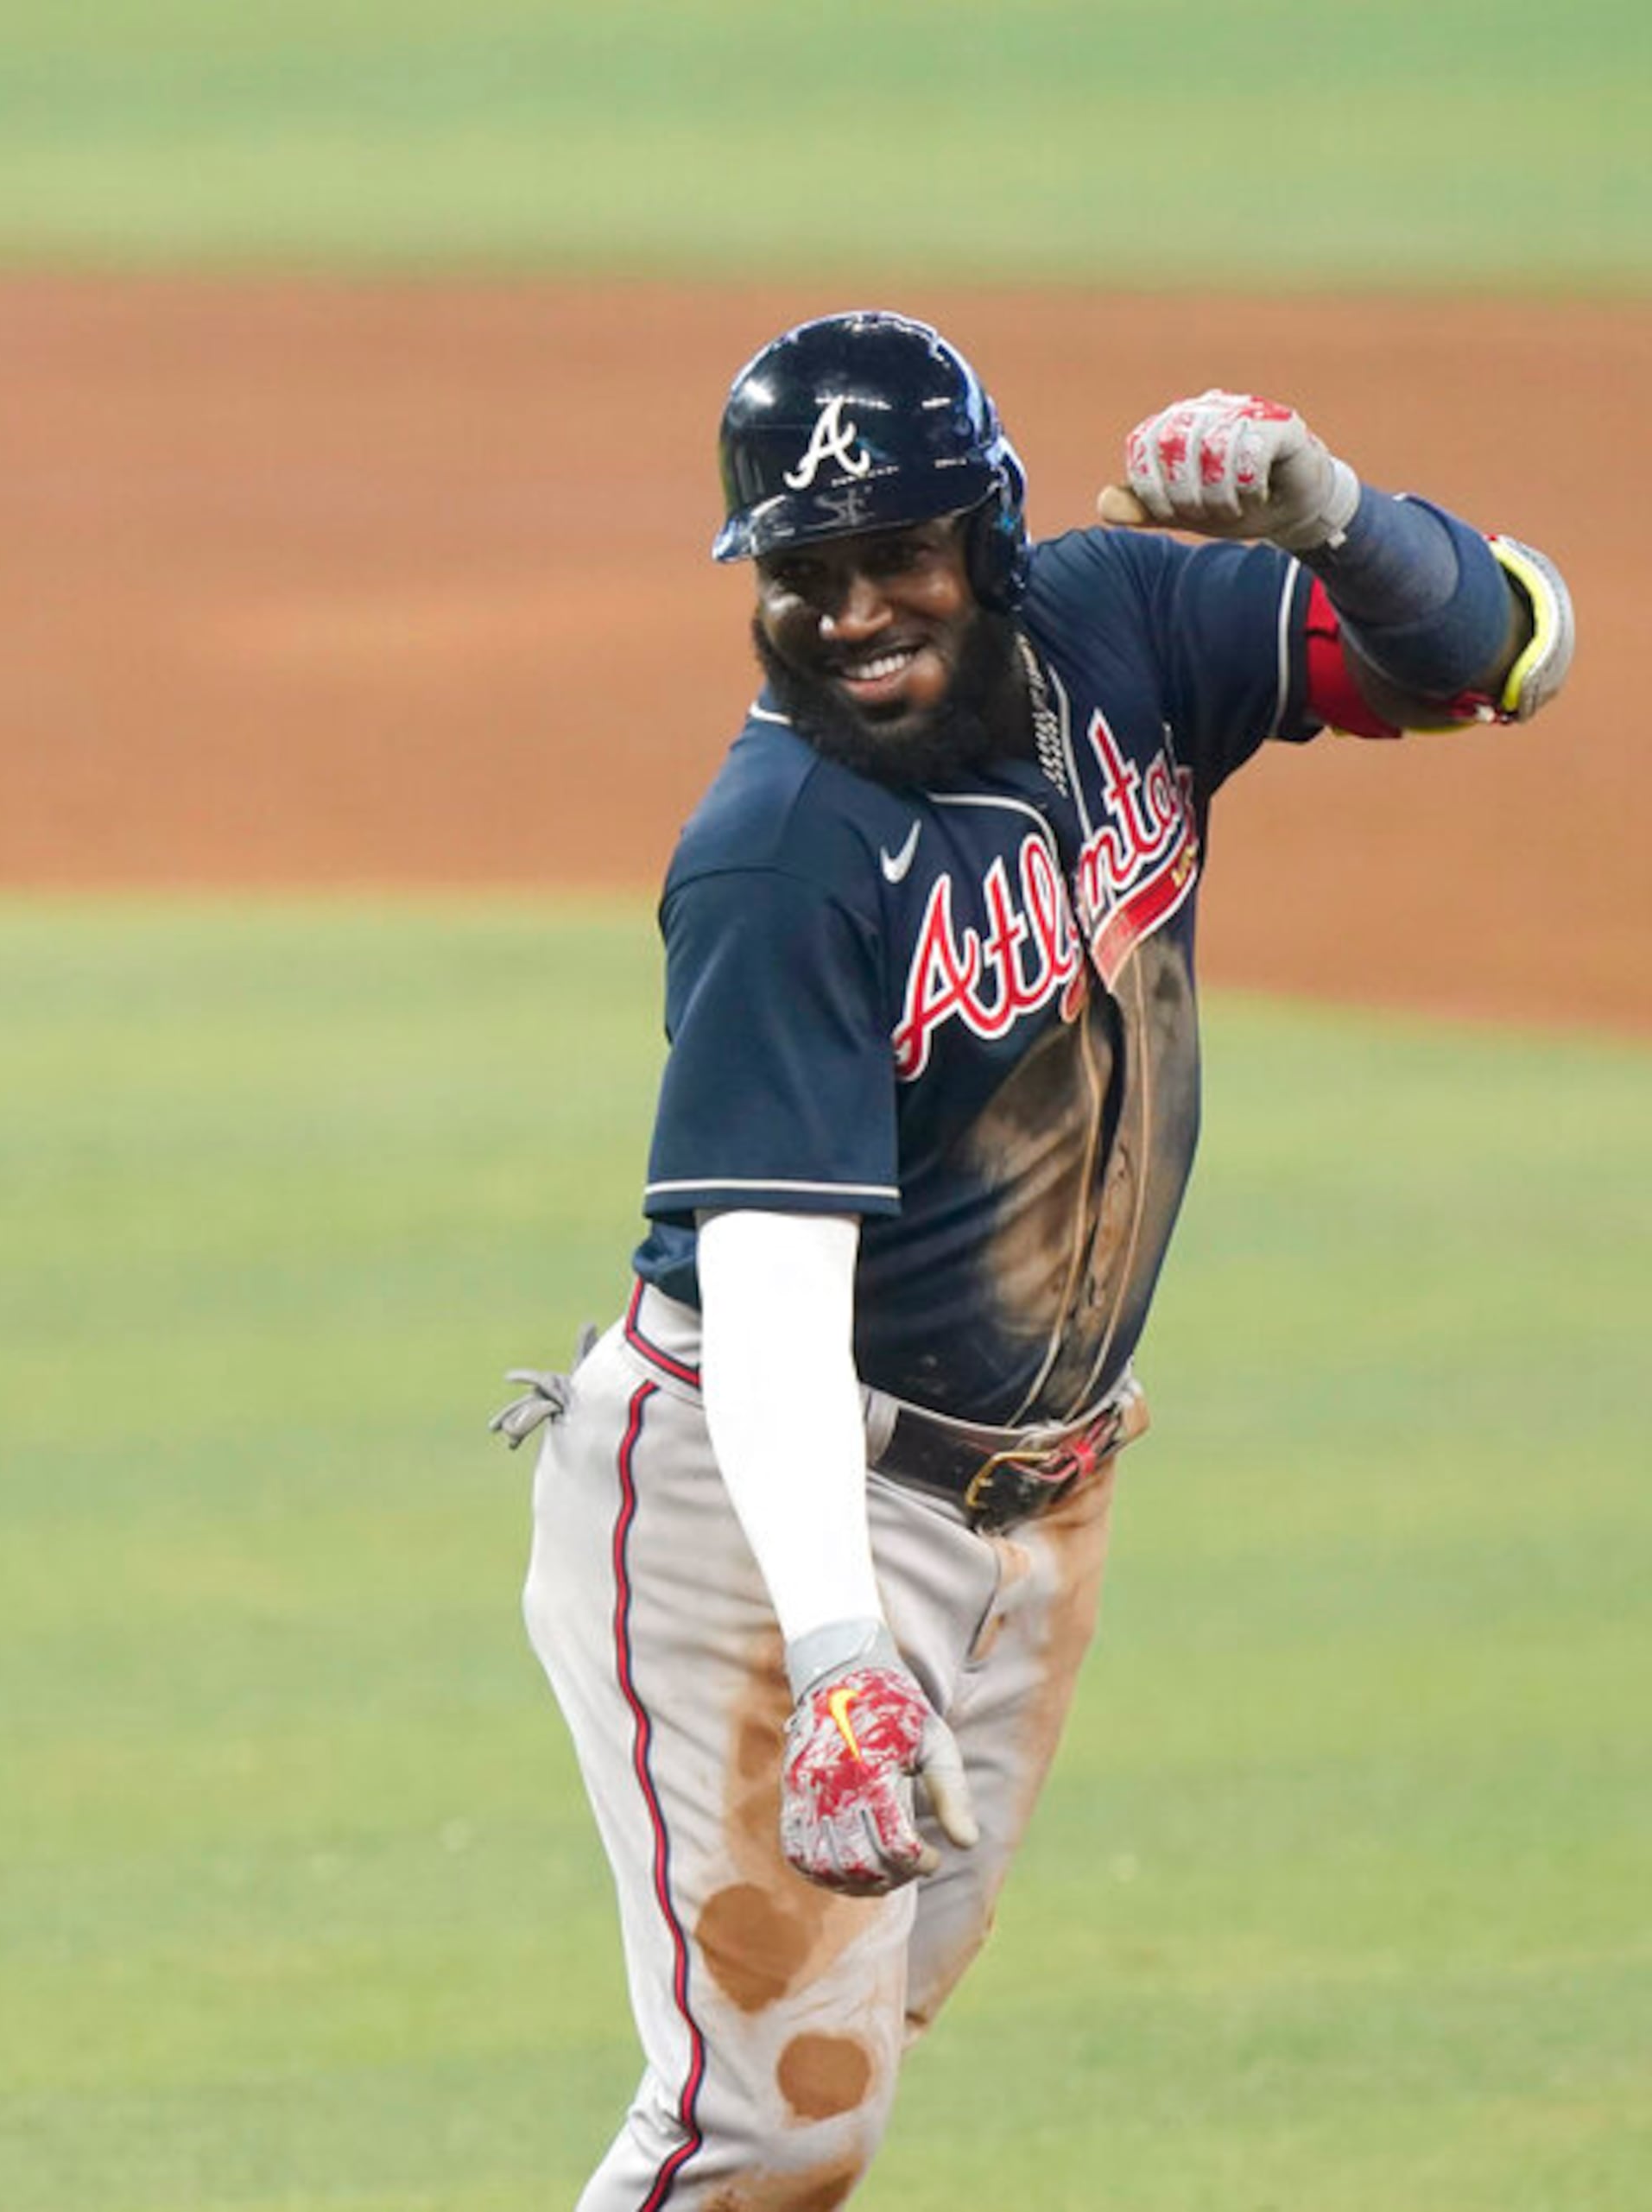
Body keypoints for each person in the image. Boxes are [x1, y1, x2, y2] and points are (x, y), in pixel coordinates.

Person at [491, 310, 1571, 2209]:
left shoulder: (1127, 632)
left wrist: (1324, 513)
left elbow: (1503, 653)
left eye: (894, 555)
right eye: (802, 573)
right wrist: (836, 1656)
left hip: (1035, 1506)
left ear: (989, 539)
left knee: (841, 2062)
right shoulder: (783, 857)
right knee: (767, 2126)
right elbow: (766, 1304)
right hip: (764, 1513)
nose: (849, 612)